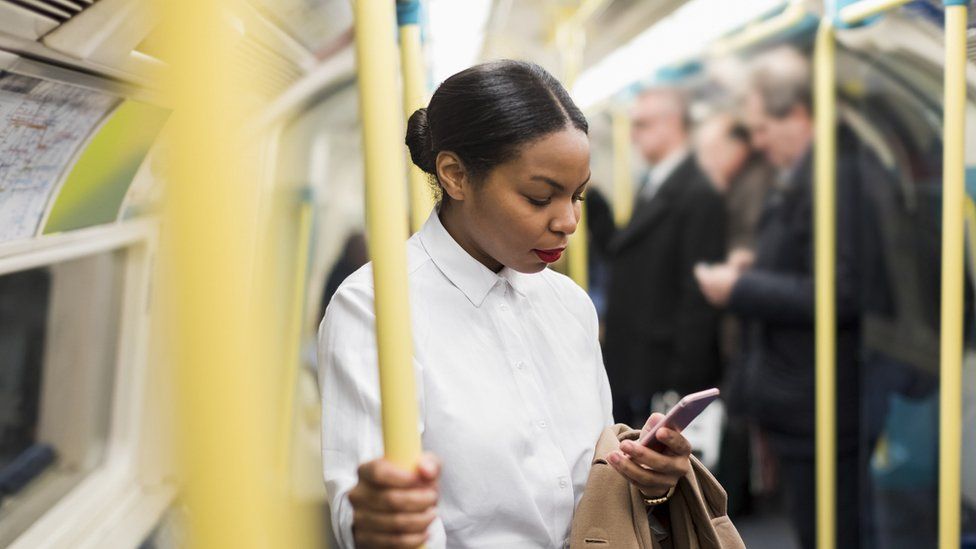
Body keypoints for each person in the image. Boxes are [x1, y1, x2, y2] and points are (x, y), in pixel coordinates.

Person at [319, 60, 694, 549]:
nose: (568, 222)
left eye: (578, 196)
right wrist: (378, 522)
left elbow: (596, 479)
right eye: (540, 198)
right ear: (455, 175)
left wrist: (651, 482)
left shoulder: (570, 305)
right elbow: (365, 513)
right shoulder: (374, 308)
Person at [694, 47, 871, 549]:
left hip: (822, 393)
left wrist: (741, 288)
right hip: (801, 390)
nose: (759, 142)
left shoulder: (835, 178)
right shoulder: (805, 174)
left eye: (764, 128)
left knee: (830, 527)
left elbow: (842, 289)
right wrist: (757, 267)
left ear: (797, 114)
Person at [590, 87, 726, 428]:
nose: (633, 135)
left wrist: (682, 382)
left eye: (642, 125)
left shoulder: (698, 194)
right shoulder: (654, 184)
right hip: (639, 357)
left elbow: (696, 296)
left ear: (672, 124)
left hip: (664, 368)